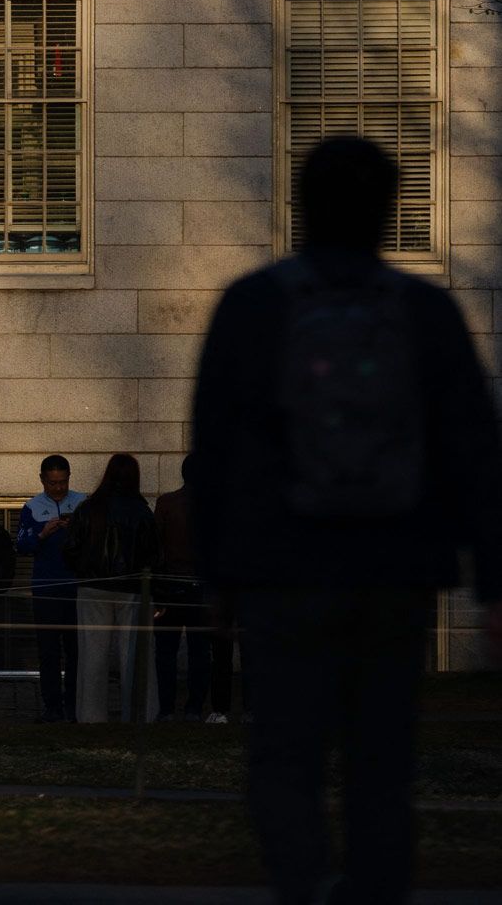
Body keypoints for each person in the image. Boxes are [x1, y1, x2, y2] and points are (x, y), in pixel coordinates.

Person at [192, 135, 502, 905]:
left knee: (284, 759)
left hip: (282, 569)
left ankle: (307, 888)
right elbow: (473, 450)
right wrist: (493, 580)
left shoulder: (253, 304)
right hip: (395, 570)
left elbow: (215, 453)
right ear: (388, 211)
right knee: (382, 767)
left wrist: (216, 575)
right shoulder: (426, 312)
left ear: (302, 206)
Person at [63, 453, 160, 724]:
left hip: (93, 586)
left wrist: (84, 571)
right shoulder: (141, 511)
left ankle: (90, 716)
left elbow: (70, 548)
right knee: (135, 654)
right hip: (132, 587)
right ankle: (139, 714)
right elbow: (153, 555)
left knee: (92, 654)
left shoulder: (88, 508)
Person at [16, 454, 86, 723]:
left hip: (77, 588)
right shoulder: (32, 507)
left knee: (76, 650)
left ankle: (75, 704)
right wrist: (43, 534)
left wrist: (76, 529)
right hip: (46, 588)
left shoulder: (82, 502)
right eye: (53, 483)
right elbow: (22, 545)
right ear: (42, 480)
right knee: (48, 651)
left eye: (63, 482)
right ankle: (52, 706)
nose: (58, 488)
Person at [152, 458, 213, 722]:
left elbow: (156, 547)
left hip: (171, 585)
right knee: (200, 651)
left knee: (166, 651)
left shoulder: (167, 503)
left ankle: (166, 708)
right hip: (201, 586)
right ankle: (194, 707)